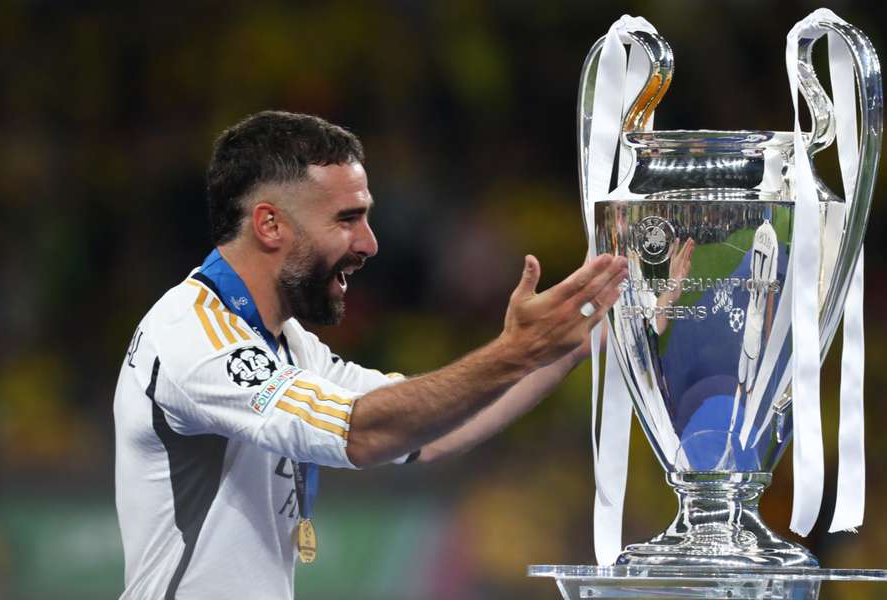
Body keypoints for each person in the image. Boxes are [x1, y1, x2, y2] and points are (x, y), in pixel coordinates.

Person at [113, 111, 627, 599]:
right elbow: (363, 431)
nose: (370, 243)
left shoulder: (287, 344)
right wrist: (516, 352)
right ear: (269, 225)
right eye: (347, 219)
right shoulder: (193, 336)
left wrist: (574, 341)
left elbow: (432, 432)